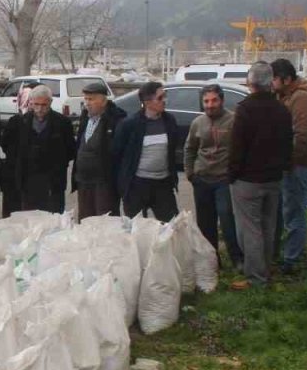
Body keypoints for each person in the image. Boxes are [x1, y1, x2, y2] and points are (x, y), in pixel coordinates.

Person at [228, 61, 293, 289]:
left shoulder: (245, 110)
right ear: (270, 82)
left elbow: (237, 147)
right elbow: (288, 144)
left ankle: (256, 279)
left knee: (250, 230)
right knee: (268, 227)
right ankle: (265, 270)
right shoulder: (282, 109)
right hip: (273, 179)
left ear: (250, 82)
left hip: (248, 180)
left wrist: (232, 174)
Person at [184, 84, 243, 266]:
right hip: (202, 180)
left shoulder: (234, 121)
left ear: (222, 100)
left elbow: (241, 149)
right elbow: (190, 149)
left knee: (227, 219)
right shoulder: (198, 123)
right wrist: (190, 173)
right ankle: (212, 261)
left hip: (224, 180)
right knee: (205, 224)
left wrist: (235, 173)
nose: (210, 105)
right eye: (206, 101)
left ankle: (237, 259)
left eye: (214, 100)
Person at [271, 58, 307, 272]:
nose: (271, 83)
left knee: (294, 213)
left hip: (297, 165)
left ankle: (292, 261)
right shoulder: (286, 96)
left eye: (273, 78)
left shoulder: (302, 98)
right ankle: (287, 255)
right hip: (288, 165)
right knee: (286, 211)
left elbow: (303, 137)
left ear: (286, 79)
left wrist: (288, 163)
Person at [112, 80, 181, 221]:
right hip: (137, 185)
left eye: (165, 96)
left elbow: (173, 150)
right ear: (147, 102)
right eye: (160, 98)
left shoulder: (169, 121)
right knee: (136, 229)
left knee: (172, 226)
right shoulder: (129, 124)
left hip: (163, 184)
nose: (165, 101)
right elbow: (117, 154)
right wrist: (124, 185)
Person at [3, 84, 75, 214]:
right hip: (27, 179)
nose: (40, 109)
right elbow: (8, 146)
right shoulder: (19, 122)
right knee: (29, 218)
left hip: (52, 181)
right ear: (30, 102)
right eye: (36, 104)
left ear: (50, 103)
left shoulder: (62, 123)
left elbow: (70, 150)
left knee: (53, 218)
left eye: (44, 105)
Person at [72, 80, 126, 219]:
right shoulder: (85, 117)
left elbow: (119, 152)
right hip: (84, 180)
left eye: (91, 99)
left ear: (103, 101)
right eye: (86, 99)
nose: (87, 103)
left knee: (104, 221)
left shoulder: (116, 119)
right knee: (85, 220)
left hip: (104, 182)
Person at [0, 83, 37, 217]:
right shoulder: (16, 121)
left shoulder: (19, 121)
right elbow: (5, 144)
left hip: (28, 176)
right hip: (14, 174)